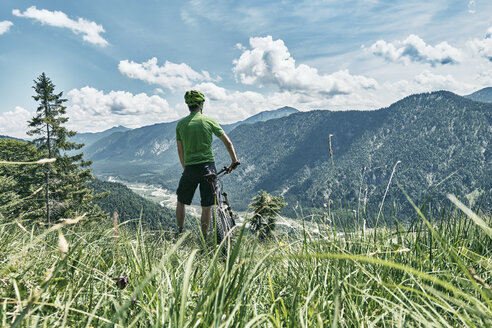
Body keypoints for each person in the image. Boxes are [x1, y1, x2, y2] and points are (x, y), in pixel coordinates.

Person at [175, 90, 239, 236]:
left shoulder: (181, 125)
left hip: (190, 168)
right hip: (208, 168)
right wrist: (234, 161)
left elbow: (180, 151)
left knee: (181, 201)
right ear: (201, 104)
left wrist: (186, 168)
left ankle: (179, 232)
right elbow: (228, 143)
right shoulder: (209, 121)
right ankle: (204, 236)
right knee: (207, 206)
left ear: (188, 105)